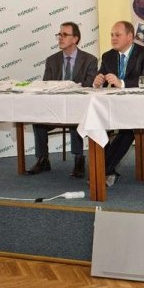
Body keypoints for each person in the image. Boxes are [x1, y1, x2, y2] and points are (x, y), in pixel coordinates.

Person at [27, 22, 98, 178]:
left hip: (78, 108)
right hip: (55, 108)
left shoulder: (90, 60)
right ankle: (43, 159)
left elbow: (89, 85)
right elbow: (46, 86)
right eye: (59, 34)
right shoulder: (52, 60)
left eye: (65, 35)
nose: (60, 37)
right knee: (37, 119)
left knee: (75, 117)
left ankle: (79, 159)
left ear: (75, 39)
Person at [93, 21, 144, 186]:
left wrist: (121, 83)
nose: (113, 38)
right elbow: (101, 77)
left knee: (128, 129)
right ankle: (106, 170)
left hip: (139, 106)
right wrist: (97, 82)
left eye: (118, 35)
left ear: (130, 37)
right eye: (111, 35)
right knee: (95, 123)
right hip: (113, 106)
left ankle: (101, 170)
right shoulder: (108, 56)